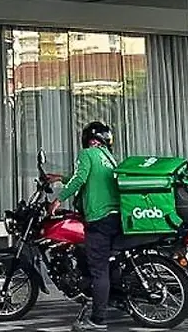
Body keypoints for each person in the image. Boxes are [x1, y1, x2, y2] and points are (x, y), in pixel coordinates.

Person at [56, 121, 121, 331]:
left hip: (99, 218)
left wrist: (57, 200)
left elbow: (80, 178)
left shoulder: (87, 154)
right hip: (114, 217)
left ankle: (98, 320)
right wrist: (61, 178)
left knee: (99, 270)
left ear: (89, 139)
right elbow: (90, 178)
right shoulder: (109, 158)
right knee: (101, 263)